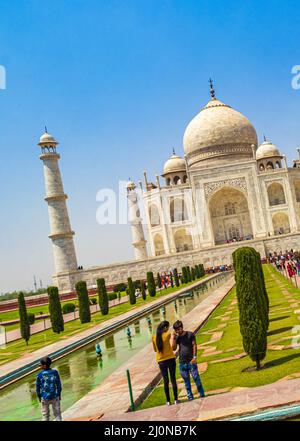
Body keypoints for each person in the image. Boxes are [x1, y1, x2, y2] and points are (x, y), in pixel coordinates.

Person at [171, 320, 205, 401]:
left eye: (179, 329)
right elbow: (173, 348)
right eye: (176, 330)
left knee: (196, 379)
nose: (178, 331)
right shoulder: (177, 337)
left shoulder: (190, 334)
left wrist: (195, 357)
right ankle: (190, 397)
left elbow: (194, 345)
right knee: (186, 383)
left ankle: (202, 395)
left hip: (191, 361)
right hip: (182, 363)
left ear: (182, 327)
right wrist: (173, 338)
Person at [152, 320, 179, 405]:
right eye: (168, 327)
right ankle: (176, 400)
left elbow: (155, 350)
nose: (168, 328)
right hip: (170, 359)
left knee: (166, 381)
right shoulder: (167, 335)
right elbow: (171, 333)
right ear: (164, 327)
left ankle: (168, 401)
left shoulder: (153, 337)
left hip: (161, 361)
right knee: (173, 379)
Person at [36, 356, 62, 421]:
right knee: (57, 414)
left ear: (44, 366)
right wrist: (59, 394)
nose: (40, 366)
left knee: (45, 416)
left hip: (44, 398)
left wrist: (39, 397)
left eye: (41, 365)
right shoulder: (55, 372)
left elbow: (37, 387)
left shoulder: (39, 375)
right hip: (54, 396)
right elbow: (58, 384)